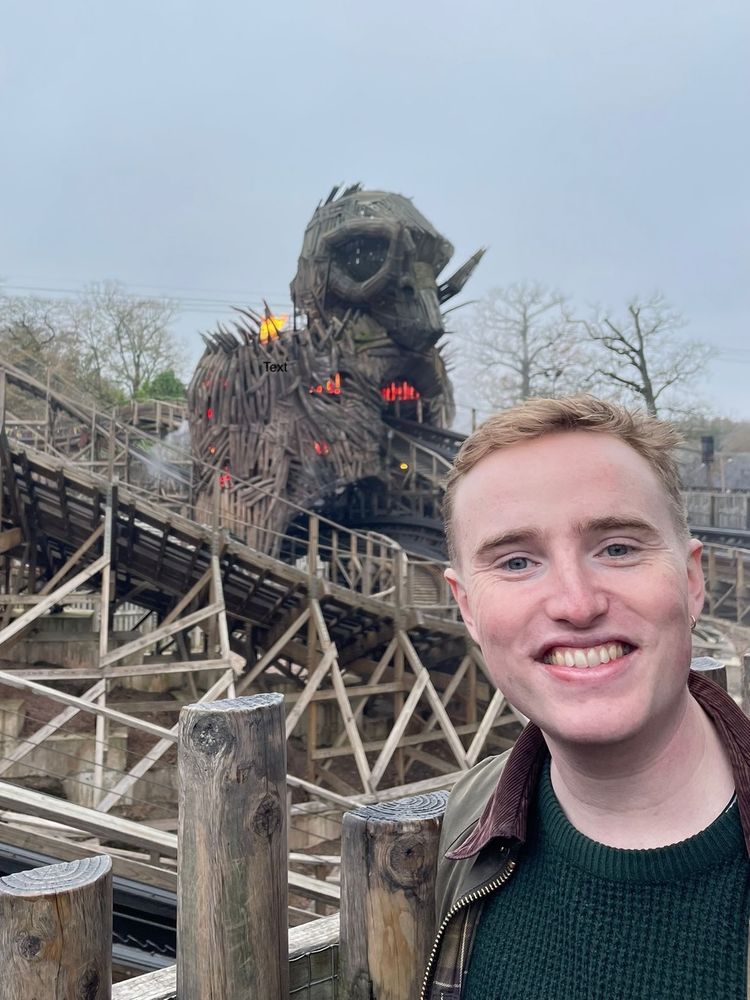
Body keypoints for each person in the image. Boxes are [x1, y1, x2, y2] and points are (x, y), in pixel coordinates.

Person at [421, 395, 750, 1000]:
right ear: (466, 607)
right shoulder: (464, 824)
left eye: (617, 548)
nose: (576, 604)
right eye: (516, 562)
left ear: (691, 579)